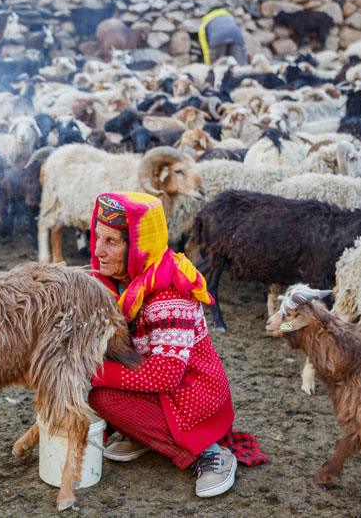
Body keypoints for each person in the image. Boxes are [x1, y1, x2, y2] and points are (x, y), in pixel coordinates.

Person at [86, 192, 267, 498]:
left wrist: (92, 373)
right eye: (97, 238)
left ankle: (207, 454)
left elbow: (165, 375)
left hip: (193, 396)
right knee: (97, 388)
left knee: (102, 397)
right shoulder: (119, 284)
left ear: (138, 247)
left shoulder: (169, 295)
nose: (98, 251)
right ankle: (146, 435)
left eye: (111, 242)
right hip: (162, 388)